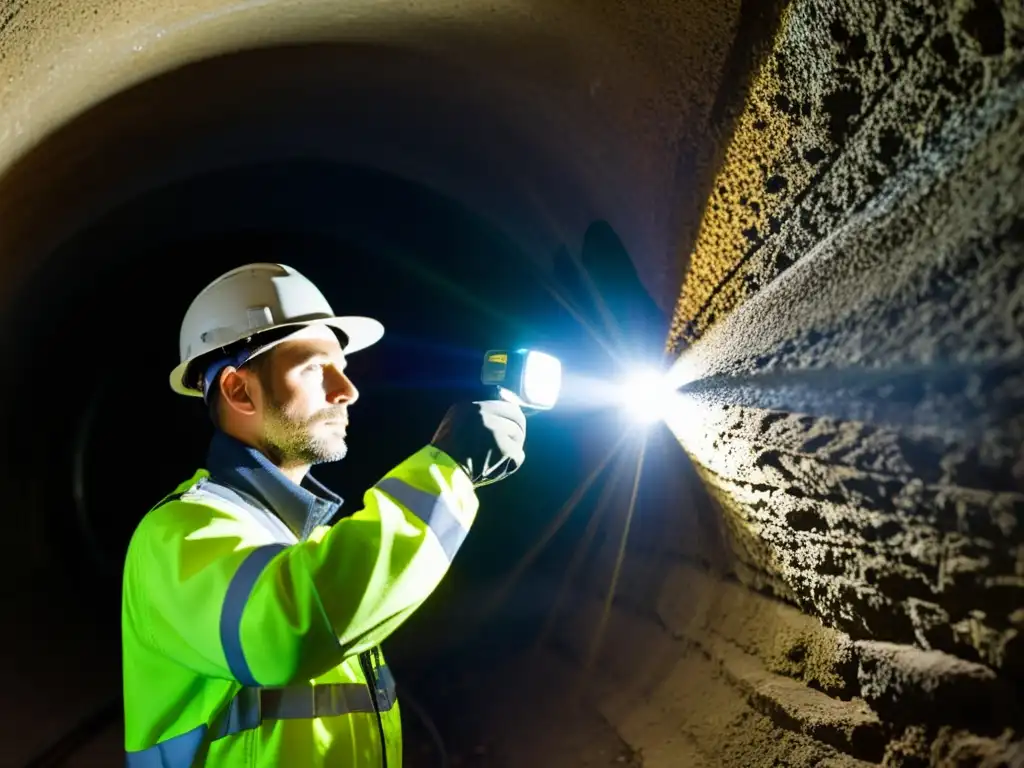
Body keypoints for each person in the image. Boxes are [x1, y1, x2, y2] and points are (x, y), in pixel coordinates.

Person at [121, 263, 527, 766]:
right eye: (315, 368)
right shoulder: (175, 535)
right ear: (238, 391)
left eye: (344, 367)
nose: (347, 390)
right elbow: (287, 632)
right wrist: (446, 475)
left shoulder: (302, 541)